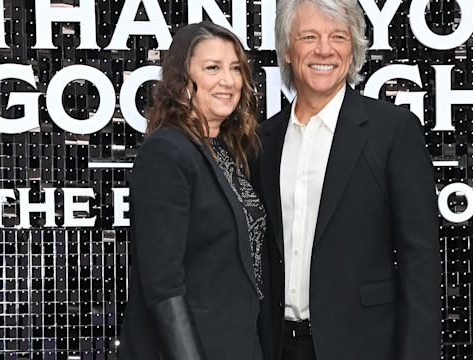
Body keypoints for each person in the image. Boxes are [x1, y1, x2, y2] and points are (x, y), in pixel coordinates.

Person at [254, 0, 442, 359]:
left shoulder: (392, 132)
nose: (324, 49)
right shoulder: (264, 140)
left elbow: (421, 260)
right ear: (288, 50)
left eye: (338, 36)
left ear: (353, 49)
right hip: (277, 347)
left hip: (365, 346)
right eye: (309, 36)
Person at [118, 21, 266, 360]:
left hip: (241, 344)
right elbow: (162, 285)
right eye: (212, 68)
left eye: (235, 69)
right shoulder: (167, 152)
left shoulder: (229, 152)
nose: (228, 81)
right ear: (183, 80)